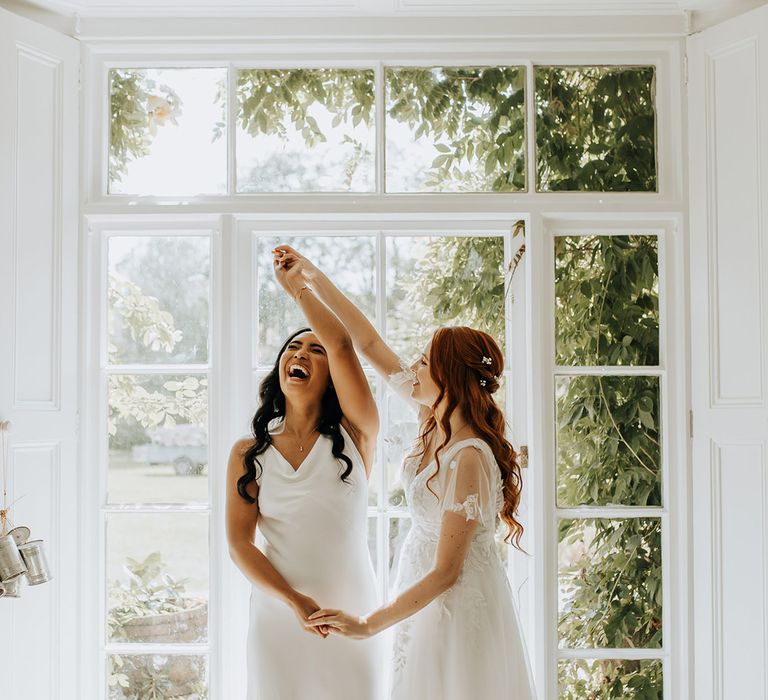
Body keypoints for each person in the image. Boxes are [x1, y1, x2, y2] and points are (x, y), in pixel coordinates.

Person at [274, 245, 537, 700]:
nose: (410, 368)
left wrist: (367, 624)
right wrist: (309, 278)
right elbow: (367, 343)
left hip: (454, 606)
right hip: (420, 593)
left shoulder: (469, 456)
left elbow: (446, 572)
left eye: (422, 362)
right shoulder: (429, 416)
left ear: (450, 376)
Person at [225, 251, 383, 700]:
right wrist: (295, 602)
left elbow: (342, 343)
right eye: (293, 347)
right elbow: (239, 544)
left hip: (351, 610)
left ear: (333, 378)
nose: (301, 353)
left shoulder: (358, 432)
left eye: (315, 350)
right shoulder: (248, 452)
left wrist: (299, 288)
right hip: (278, 617)